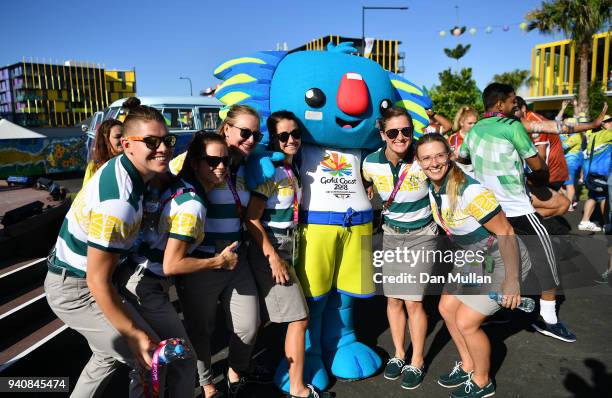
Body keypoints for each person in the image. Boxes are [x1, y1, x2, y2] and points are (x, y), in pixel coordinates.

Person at [44, 97, 176, 397]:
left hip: (81, 280)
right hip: (77, 290)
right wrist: (133, 334)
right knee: (151, 360)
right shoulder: (118, 204)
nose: (163, 148)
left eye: (166, 140)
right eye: (152, 141)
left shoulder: (127, 168)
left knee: (106, 356)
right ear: (127, 144)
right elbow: (96, 281)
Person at [117, 132, 239, 398]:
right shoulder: (192, 204)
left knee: (150, 360)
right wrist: (219, 260)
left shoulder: (179, 184)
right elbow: (173, 264)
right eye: (212, 161)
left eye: (225, 161)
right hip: (145, 285)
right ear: (194, 162)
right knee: (179, 359)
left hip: (137, 279)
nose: (220, 167)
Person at [459, 83, 576, 343]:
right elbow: (536, 163)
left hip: (488, 209)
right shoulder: (512, 127)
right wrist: (539, 177)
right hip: (517, 207)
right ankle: (548, 319)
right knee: (548, 260)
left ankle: (498, 310)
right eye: (512, 101)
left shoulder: (475, 129)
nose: (516, 105)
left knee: (499, 263)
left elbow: (464, 158)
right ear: (500, 104)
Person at [416, 133, 529, 398]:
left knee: (467, 322)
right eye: (426, 158)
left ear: (450, 155)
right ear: (419, 162)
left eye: (439, 155)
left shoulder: (472, 191)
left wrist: (511, 281)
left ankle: (482, 381)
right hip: (472, 258)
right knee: (446, 307)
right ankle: (469, 364)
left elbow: (507, 233)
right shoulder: (433, 185)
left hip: (500, 258)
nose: (434, 162)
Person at [175, 104, 261, 398]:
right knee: (201, 331)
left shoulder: (242, 167)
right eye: (245, 132)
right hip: (200, 263)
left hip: (236, 260)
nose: (251, 139)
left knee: (249, 326)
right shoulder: (195, 162)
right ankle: (208, 383)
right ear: (226, 129)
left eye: (257, 135)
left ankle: (236, 370)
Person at [246, 111, 331, 398]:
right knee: (299, 318)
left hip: (290, 245)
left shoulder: (291, 169)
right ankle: (298, 390)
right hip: (271, 248)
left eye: (296, 134)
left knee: (268, 319)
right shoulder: (269, 171)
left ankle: (243, 369)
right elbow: (252, 218)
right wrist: (272, 257)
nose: (292, 139)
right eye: (284, 136)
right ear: (273, 139)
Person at [362, 107, 438, 391]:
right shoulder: (370, 163)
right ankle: (399, 354)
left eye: (406, 131)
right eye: (393, 132)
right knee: (393, 299)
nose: (401, 137)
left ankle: (417, 359)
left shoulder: (423, 157)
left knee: (413, 301)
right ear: (383, 135)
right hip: (392, 235)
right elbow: (367, 186)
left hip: (424, 235)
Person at [579, 116, 612, 232]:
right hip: (600, 172)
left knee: (593, 196)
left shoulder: (591, 134)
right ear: (602, 124)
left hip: (590, 172)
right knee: (605, 197)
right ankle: (607, 224)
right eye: (608, 121)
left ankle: (585, 220)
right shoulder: (606, 134)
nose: (611, 123)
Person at [82, 119, 124, 186]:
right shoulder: (94, 167)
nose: (123, 139)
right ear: (105, 140)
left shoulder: (133, 162)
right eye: (118, 137)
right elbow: (87, 193)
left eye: (125, 136)